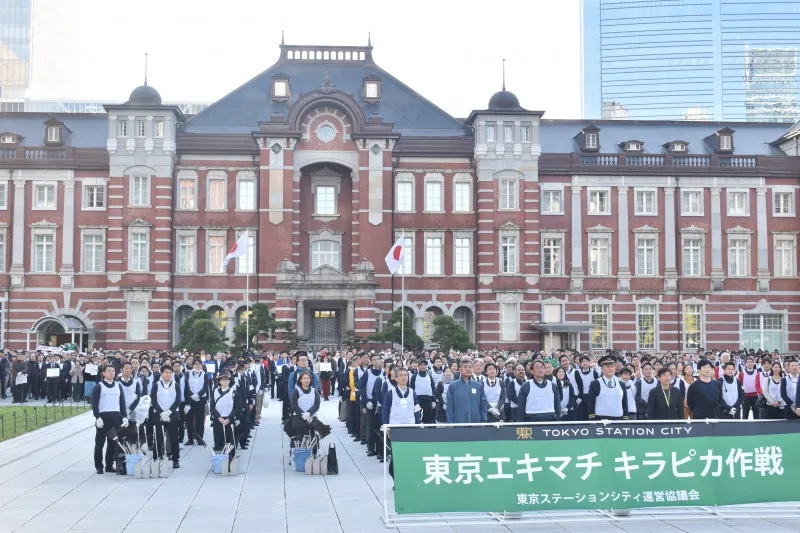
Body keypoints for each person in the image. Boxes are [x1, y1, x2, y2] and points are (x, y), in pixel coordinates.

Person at [381, 367, 421, 484]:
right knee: (396, 456)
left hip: (410, 428)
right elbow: (385, 411)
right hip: (395, 429)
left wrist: (417, 425)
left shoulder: (413, 393)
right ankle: (396, 480)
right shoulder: (390, 393)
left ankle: (408, 479)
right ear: (396, 378)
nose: (404, 377)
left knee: (409, 455)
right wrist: (386, 427)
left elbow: (417, 411)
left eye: (405, 375)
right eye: (401, 375)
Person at [90, 364, 128, 474]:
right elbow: (95, 403)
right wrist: (97, 417)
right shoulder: (99, 386)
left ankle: (109, 465)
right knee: (100, 443)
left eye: (113, 371)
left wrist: (124, 416)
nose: (111, 373)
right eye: (109, 371)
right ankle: (99, 466)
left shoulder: (118, 385)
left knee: (113, 444)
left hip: (116, 417)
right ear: (104, 373)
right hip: (103, 418)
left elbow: (122, 403)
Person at [150, 366, 181, 469]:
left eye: (170, 372)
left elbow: (177, 400)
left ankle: (175, 460)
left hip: (172, 415)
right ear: (161, 374)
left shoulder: (176, 385)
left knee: (173, 439)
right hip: (159, 416)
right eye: (166, 372)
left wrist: (168, 412)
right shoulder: (156, 385)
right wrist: (161, 412)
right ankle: (156, 458)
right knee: (158, 438)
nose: (168, 374)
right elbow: (153, 400)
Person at [446, 357, 489, 423]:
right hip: (459, 423)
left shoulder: (478, 386)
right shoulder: (453, 386)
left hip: (476, 423)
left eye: (470, 367)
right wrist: (450, 423)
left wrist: (483, 420)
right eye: (465, 367)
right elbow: (449, 407)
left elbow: (483, 404)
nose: (468, 369)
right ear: (460, 369)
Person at [588, 355, 629, 420]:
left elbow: (624, 403)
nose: (610, 368)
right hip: (601, 420)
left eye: (612, 366)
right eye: (607, 366)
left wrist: (625, 418)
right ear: (601, 369)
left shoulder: (621, 384)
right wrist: (592, 420)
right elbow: (591, 403)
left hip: (618, 419)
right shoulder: (595, 383)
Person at [289, 370, 321, 452]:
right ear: (300, 380)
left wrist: (309, 413)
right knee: (300, 438)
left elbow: (317, 404)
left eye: (308, 378)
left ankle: (313, 456)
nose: (306, 380)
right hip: (299, 418)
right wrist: (302, 414)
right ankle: (299, 455)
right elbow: (294, 405)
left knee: (313, 438)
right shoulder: (296, 391)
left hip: (312, 417)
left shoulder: (314, 391)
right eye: (304, 378)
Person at [360, 353, 384, 457]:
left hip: (381, 403)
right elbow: (362, 389)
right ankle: (370, 448)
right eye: (374, 359)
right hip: (370, 403)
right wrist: (365, 402)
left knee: (380, 427)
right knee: (370, 427)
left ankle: (380, 450)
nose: (376, 361)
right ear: (371, 361)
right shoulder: (367, 373)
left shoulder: (384, 373)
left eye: (378, 359)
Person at [210, 372, 239, 457]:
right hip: (218, 420)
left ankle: (230, 459)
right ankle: (220, 461)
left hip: (229, 420)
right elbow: (212, 406)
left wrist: (229, 418)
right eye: (223, 380)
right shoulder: (215, 392)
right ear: (219, 381)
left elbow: (236, 407)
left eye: (227, 379)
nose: (225, 381)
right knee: (218, 440)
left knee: (230, 441)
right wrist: (219, 417)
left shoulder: (233, 392)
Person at [184, 359, 209, 445]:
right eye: (196, 364)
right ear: (193, 365)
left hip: (200, 399)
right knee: (189, 420)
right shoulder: (188, 374)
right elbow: (186, 386)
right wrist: (192, 396)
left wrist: (198, 395)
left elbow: (206, 387)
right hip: (190, 399)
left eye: (199, 364)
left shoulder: (205, 374)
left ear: (201, 365)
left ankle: (199, 438)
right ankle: (190, 439)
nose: (197, 366)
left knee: (200, 420)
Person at [409, 358, 436, 424]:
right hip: (418, 400)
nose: (423, 366)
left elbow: (433, 389)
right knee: (418, 418)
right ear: (418, 366)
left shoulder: (429, 377)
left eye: (424, 365)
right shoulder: (414, 377)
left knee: (428, 420)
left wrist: (433, 400)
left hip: (428, 400)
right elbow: (411, 389)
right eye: (421, 365)